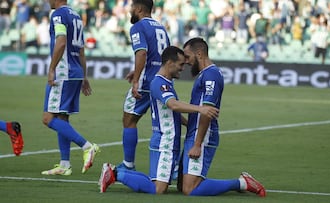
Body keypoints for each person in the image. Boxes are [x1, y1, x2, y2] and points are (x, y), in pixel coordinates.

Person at [99, 46, 219, 194]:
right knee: (158, 189)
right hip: (165, 141)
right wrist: (200, 109)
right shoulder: (159, 83)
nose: (183, 68)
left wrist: (188, 124)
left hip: (166, 140)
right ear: (170, 63)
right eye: (180, 64)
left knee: (156, 182)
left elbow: (171, 112)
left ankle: (114, 172)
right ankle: (116, 174)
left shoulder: (166, 83)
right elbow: (173, 105)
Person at [179, 37, 266, 197]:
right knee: (181, 184)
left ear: (199, 54)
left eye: (187, 56)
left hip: (203, 136)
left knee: (189, 189)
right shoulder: (205, 74)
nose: (185, 61)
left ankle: (242, 183)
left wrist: (198, 144)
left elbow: (207, 111)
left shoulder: (211, 75)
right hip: (195, 132)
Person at [41, 0, 100, 176]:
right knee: (62, 118)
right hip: (75, 72)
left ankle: (87, 146)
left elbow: (61, 42)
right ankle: (64, 164)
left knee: (48, 118)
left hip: (63, 73)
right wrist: (85, 76)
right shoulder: (76, 16)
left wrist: (51, 69)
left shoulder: (58, 14)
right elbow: (81, 50)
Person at [118, 0, 170, 171]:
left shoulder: (138, 26)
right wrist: (137, 70)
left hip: (147, 82)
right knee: (165, 124)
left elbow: (142, 52)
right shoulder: (160, 27)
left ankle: (128, 164)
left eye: (132, 7)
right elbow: (161, 55)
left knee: (129, 119)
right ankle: (172, 167)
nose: (130, 10)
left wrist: (136, 80)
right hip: (162, 80)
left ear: (139, 8)